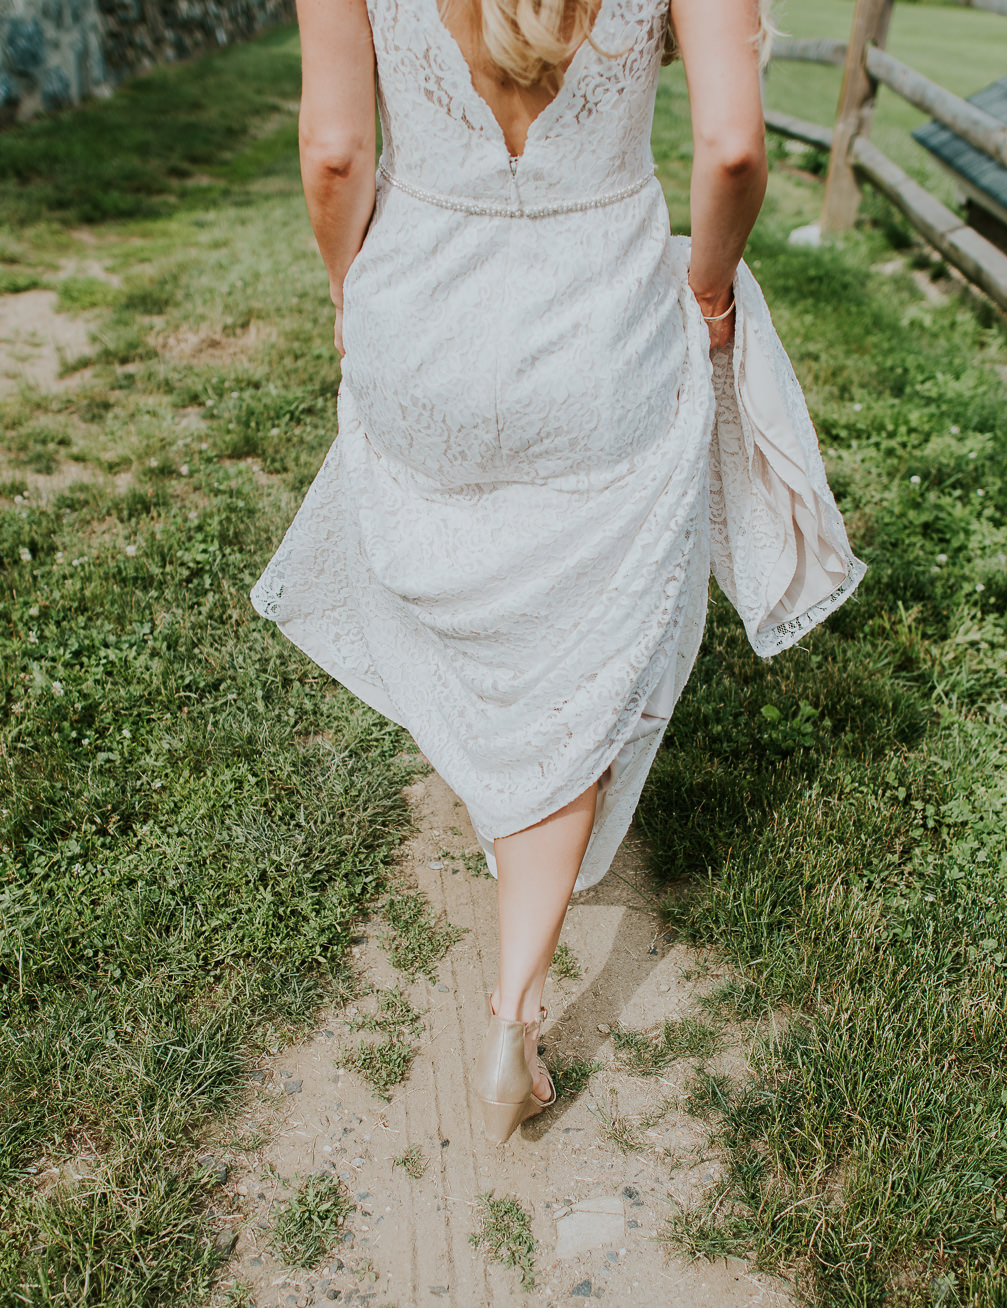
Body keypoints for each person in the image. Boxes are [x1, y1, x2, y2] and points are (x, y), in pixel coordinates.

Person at [252, 0, 865, 1143]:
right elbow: (733, 148)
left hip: (424, 312)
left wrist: (349, 286)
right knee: (581, 634)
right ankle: (514, 1014)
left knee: (469, 584)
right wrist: (714, 288)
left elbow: (336, 154)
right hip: (600, 331)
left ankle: (497, 777)